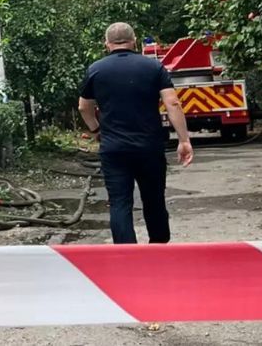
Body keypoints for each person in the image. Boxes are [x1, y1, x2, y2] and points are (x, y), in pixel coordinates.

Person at [78, 22, 193, 245]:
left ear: (106, 43)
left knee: (120, 202)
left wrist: (97, 130)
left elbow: (84, 107)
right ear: (135, 41)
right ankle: (158, 247)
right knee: (154, 200)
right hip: (149, 147)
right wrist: (184, 139)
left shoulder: (96, 69)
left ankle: (127, 255)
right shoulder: (153, 67)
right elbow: (173, 103)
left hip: (114, 149)